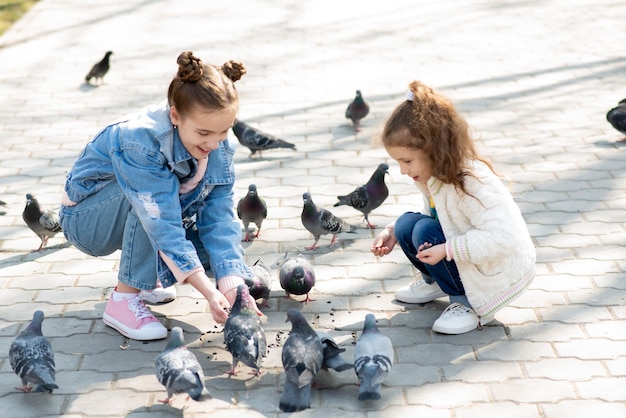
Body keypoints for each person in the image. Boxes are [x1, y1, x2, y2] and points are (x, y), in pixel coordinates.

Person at [60, 51, 262, 341]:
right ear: (175, 115)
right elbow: (159, 220)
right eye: (204, 132)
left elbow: (219, 217)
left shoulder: (216, 143)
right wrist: (207, 291)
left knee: (205, 247)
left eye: (224, 131)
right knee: (149, 205)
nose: (214, 143)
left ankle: (149, 276)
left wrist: (232, 286)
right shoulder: (140, 143)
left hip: (151, 213)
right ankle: (123, 301)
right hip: (88, 222)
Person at [371, 80, 536, 335]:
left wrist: (447, 249)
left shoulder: (471, 182)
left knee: (424, 231)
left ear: (432, 149)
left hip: (497, 271)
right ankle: (439, 281)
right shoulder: (432, 175)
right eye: (398, 162)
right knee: (406, 225)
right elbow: (438, 216)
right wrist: (393, 231)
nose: (403, 171)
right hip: (469, 255)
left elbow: (505, 239)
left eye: (407, 161)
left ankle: (467, 303)